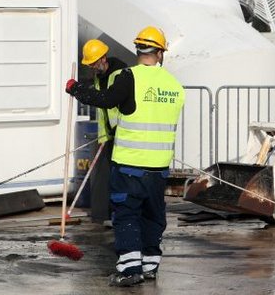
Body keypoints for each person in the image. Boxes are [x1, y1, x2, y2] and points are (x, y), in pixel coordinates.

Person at [66, 26, 185, 287]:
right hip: (160, 166)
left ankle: (130, 268)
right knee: (153, 215)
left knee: (126, 214)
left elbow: (107, 100)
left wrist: (76, 90)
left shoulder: (128, 77)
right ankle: (150, 265)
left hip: (131, 163)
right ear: (161, 52)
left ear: (137, 49)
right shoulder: (175, 86)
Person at [80, 38, 127, 226]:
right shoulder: (100, 76)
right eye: (89, 64)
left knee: (120, 178)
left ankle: (119, 215)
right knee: (109, 179)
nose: (92, 67)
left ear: (103, 58)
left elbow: (107, 100)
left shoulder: (119, 74)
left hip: (122, 134)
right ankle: (109, 214)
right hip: (108, 135)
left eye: (93, 63)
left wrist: (78, 91)